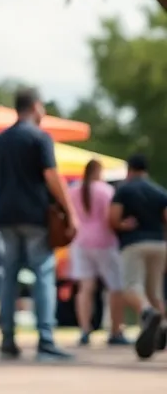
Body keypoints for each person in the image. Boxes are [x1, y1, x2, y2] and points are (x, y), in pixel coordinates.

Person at [0, 87, 75, 361]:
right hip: (36, 216)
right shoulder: (40, 138)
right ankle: (45, 340)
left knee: (8, 276)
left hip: (6, 216)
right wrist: (71, 211)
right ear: (35, 107)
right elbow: (51, 175)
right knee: (43, 274)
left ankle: (7, 338)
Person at [109, 153, 167, 359]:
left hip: (134, 243)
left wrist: (123, 225)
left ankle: (146, 312)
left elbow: (113, 218)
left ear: (129, 169)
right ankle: (162, 329)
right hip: (160, 244)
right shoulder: (159, 191)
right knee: (155, 292)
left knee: (131, 287)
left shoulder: (123, 190)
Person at [68, 158, 128, 346]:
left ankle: (85, 328)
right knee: (115, 287)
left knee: (85, 288)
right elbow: (111, 218)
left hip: (79, 241)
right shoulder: (105, 191)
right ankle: (116, 329)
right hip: (104, 241)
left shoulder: (73, 190)